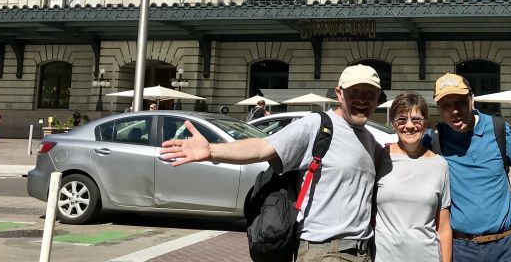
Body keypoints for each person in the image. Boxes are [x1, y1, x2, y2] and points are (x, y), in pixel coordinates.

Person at [160, 64, 386, 261]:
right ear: (339, 93)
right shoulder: (317, 125)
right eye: (354, 92)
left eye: (370, 93)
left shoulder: (369, 140)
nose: (363, 99)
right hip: (325, 251)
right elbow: (263, 147)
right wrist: (211, 150)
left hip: (363, 250)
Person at [429, 73, 511, 262]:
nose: (454, 110)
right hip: (461, 249)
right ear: (438, 108)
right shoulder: (435, 139)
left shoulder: (498, 129)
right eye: (446, 105)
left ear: (471, 99)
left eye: (460, 102)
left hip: (505, 246)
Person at [375, 92, 452, 262]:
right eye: (402, 119)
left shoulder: (440, 165)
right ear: (393, 124)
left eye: (416, 119)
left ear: (425, 123)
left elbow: (444, 227)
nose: (409, 126)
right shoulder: (379, 158)